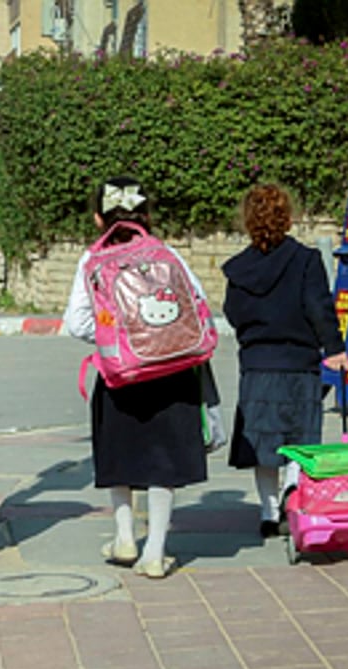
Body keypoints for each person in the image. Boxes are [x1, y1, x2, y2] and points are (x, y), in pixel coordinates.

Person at [63, 176, 212, 578]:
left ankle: (124, 536)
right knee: (164, 463)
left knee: (121, 456)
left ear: (98, 219)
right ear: (146, 215)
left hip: (119, 374)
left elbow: (75, 322)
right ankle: (156, 551)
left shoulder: (90, 261)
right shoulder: (166, 254)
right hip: (172, 373)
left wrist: (119, 339)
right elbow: (199, 307)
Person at [221, 184, 348, 537]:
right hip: (300, 362)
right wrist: (334, 349)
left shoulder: (239, 270)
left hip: (258, 364)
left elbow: (233, 314)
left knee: (263, 442)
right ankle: (295, 492)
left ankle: (268, 510)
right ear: (288, 218)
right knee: (299, 438)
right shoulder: (306, 260)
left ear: (248, 220)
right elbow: (319, 308)